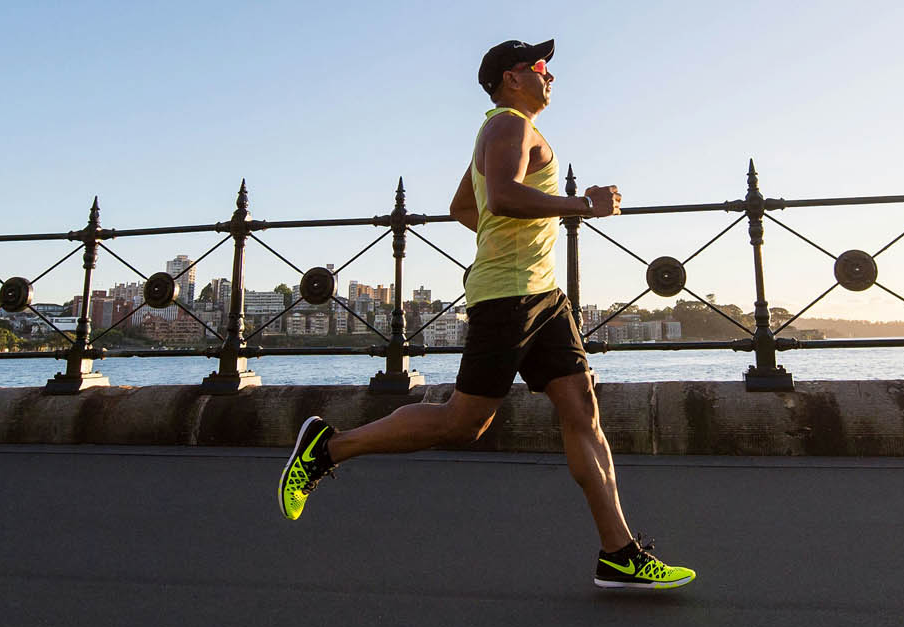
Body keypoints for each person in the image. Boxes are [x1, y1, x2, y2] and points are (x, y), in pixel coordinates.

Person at [277, 39, 695, 590]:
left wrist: (510, 244)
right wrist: (581, 205)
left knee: (582, 409)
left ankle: (619, 553)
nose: (551, 75)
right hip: (510, 299)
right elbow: (499, 197)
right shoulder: (507, 126)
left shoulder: (512, 129)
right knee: (463, 423)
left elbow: (463, 208)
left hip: (544, 296)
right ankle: (326, 448)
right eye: (540, 67)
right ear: (509, 77)